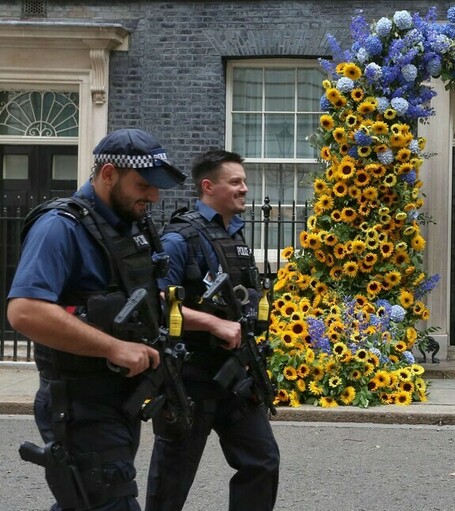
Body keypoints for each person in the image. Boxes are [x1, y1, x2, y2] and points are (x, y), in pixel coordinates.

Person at [7, 128, 187, 511]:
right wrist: (114, 346)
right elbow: (24, 311)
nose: (153, 195)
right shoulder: (60, 226)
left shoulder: (128, 226)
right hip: (79, 402)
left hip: (119, 399)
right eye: (143, 184)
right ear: (108, 174)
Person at [146, 149, 280, 511]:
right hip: (191, 375)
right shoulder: (178, 239)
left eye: (244, 182)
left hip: (234, 374)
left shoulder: (232, 235)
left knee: (262, 461)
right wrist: (211, 322)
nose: (244, 189)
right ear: (209, 186)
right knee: (172, 478)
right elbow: (155, 306)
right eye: (235, 182)